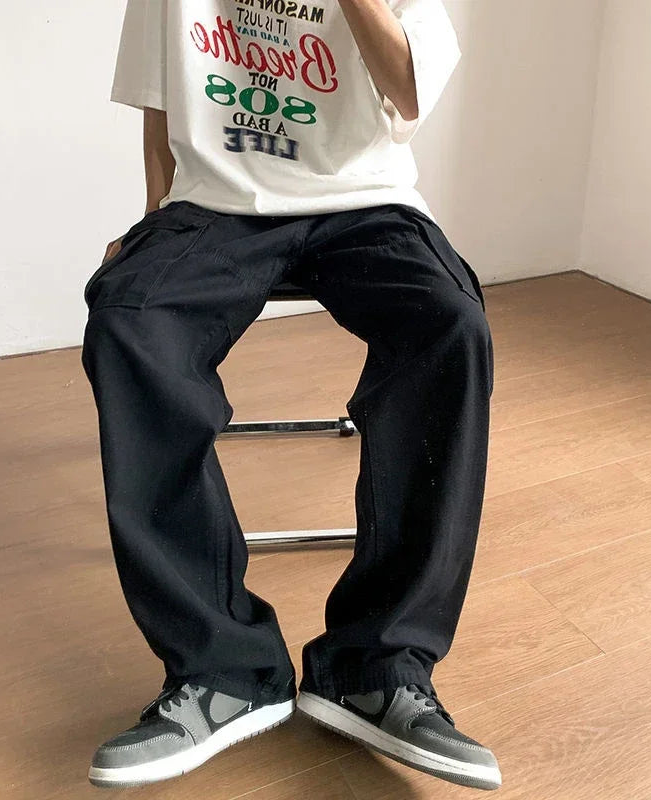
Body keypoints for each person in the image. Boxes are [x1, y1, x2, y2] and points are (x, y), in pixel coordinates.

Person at [81, 0, 500, 792]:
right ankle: (223, 671)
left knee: (451, 327)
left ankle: (377, 669)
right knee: (129, 318)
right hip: (215, 205)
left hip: (367, 202)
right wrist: (152, 219)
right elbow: (161, 99)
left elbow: (409, 91)